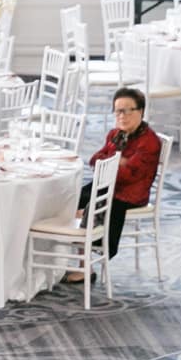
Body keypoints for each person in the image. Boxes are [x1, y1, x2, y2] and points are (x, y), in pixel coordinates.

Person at [66, 86, 161, 283]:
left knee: (92, 206)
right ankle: (82, 262)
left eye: (127, 110)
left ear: (141, 111)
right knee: (74, 198)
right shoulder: (115, 135)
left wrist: (112, 162)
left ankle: (87, 266)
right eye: (118, 111)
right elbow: (95, 159)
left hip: (130, 195)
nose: (122, 115)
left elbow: (130, 176)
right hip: (109, 185)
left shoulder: (148, 141)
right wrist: (117, 161)